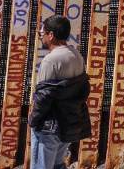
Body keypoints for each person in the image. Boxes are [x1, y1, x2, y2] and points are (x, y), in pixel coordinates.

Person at [29, 16, 91, 169]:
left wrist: (33, 120)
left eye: (42, 33)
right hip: (68, 123)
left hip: (48, 126)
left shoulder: (51, 60)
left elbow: (43, 97)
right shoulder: (77, 56)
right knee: (58, 165)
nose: (41, 37)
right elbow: (82, 90)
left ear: (51, 35)